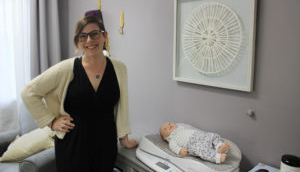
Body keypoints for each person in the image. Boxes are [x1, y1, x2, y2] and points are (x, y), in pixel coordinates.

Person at [21, 12, 137, 171]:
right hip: (72, 146)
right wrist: (51, 121)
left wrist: (124, 138)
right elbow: (29, 92)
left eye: (94, 34)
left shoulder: (119, 68)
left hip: (106, 145)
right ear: (77, 42)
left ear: (105, 36)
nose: (89, 40)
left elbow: (122, 106)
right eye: (83, 36)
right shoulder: (65, 69)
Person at [160, 122, 230, 164]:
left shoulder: (180, 127)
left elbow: (189, 129)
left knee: (212, 135)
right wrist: (180, 151)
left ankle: (219, 146)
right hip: (192, 144)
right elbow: (174, 148)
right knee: (202, 150)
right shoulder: (172, 140)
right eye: (165, 128)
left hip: (198, 135)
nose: (169, 126)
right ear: (165, 137)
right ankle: (217, 157)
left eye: (169, 123)